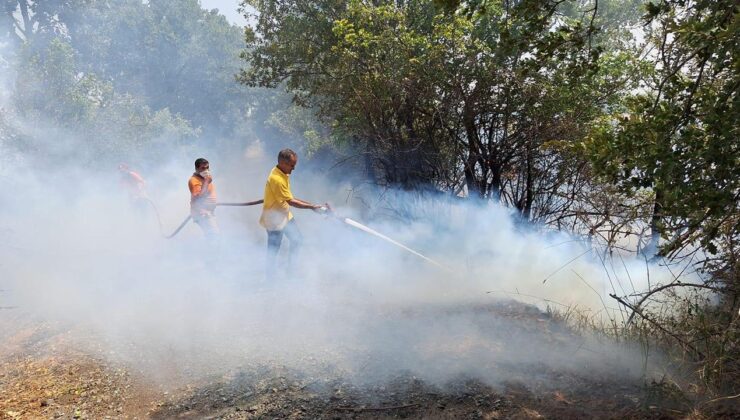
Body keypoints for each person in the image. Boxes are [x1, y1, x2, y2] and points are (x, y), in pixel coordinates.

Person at [260, 149, 330, 276]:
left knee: (297, 240)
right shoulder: (276, 179)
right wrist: (311, 207)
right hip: (274, 219)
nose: (293, 168)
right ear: (282, 163)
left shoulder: (281, 172)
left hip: (284, 215)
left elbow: (289, 197)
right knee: (273, 250)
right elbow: (291, 201)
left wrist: (313, 206)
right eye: (292, 165)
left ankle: (291, 272)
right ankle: (269, 280)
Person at [188, 158, 219, 237]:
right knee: (214, 235)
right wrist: (206, 182)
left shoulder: (204, 178)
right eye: (203, 168)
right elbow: (197, 197)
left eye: (207, 167)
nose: (206, 170)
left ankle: (212, 248)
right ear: (197, 169)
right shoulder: (194, 180)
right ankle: (212, 249)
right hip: (201, 212)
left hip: (207, 212)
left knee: (212, 234)